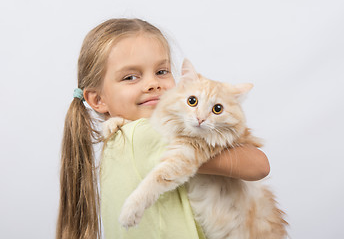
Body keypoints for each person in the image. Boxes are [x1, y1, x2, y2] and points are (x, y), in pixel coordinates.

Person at [57, 18, 270, 239]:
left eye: (161, 71)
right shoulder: (144, 135)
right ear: (98, 100)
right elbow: (259, 166)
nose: (153, 84)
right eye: (130, 77)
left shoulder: (121, 136)